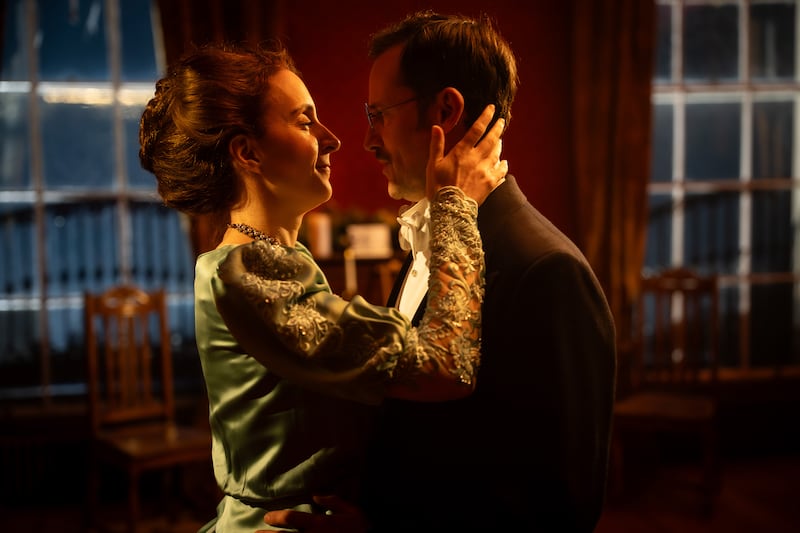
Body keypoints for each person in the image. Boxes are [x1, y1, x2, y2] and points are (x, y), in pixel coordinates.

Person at [262, 10, 617, 533]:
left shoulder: (548, 270)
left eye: (378, 114)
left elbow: (562, 507)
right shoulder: (430, 237)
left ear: (446, 111)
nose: (368, 140)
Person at [137, 42, 506, 532]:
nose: (332, 139)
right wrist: (455, 205)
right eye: (305, 122)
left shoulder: (274, 259)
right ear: (248, 152)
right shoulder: (247, 272)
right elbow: (445, 366)